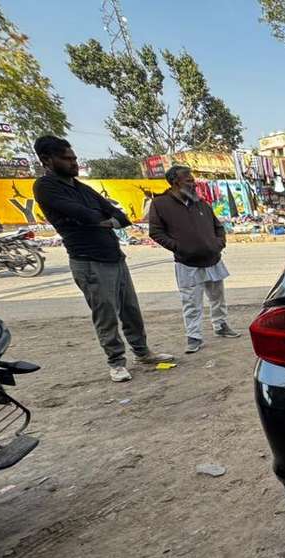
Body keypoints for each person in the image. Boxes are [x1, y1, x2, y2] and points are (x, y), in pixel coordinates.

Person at [32, 135, 174, 383]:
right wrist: (99, 218)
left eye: (74, 158)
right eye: (67, 159)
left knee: (131, 311)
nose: (74, 163)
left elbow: (120, 216)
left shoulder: (81, 188)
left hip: (114, 257)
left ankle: (142, 353)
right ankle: (116, 362)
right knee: (106, 314)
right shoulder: (46, 187)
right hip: (89, 260)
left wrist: (101, 219)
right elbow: (82, 214)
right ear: (47, 159)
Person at [148, 165, 241, 353]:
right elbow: (156, 232)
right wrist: (179, 247)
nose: (193, 183)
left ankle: (221, 325)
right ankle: (194, 336)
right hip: (187, 262)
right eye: (189, 180)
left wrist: (218, 243)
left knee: (217, 297)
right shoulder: (161, 204)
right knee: (191, 301)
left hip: (212, 258)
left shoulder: (201, 203)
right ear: (175, 182)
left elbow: (218, 227)